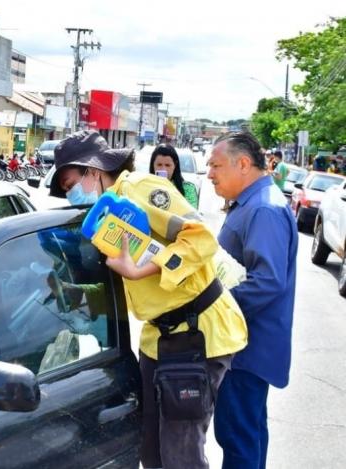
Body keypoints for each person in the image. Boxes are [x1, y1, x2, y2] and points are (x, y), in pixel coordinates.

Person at [49, 130, 247, 469]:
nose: (71, 195)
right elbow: (133, 291)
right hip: (160, 341)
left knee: (180, 455)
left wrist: (145, 268)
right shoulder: (105, 220)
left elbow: (200, 237)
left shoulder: (138, 190)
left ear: (92, 171)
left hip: (199, 334)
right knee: (152, 453)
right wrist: (78, 295)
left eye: (70, 185)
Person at [207, 132, 297, 469]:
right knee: (248, 434)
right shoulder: (254, 203)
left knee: (238, 437)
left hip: (245, 348)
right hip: (245, 345)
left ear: (243, 164)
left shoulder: (263, 210)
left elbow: (267, 282)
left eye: (216, 165)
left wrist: (210, 305)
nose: (210, 174)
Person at [149, 143, 199, 208]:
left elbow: (191, 215)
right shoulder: (145, 185)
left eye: (167, 165)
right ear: (153, 165)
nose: (163, 169)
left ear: (175, 166)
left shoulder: (188, 188)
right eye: (159, 165)